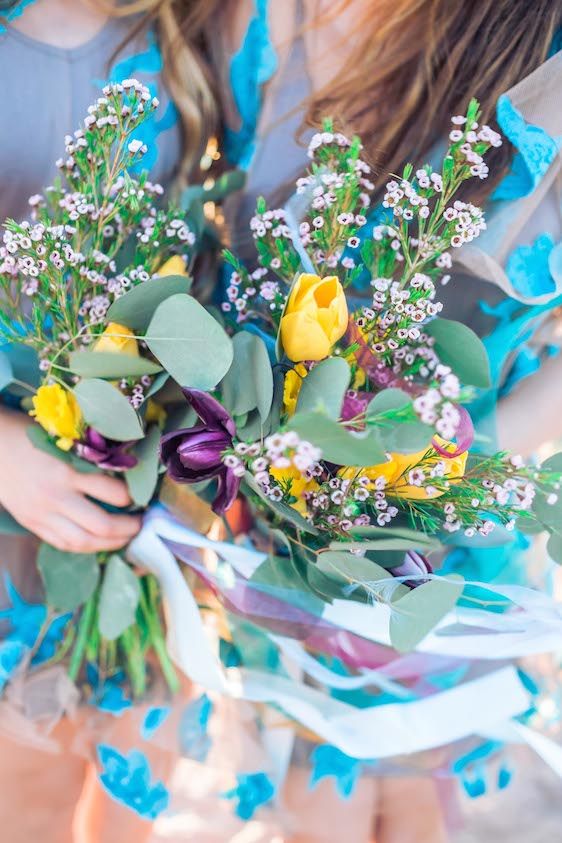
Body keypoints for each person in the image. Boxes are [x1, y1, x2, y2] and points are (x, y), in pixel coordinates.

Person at [205, 1, 562, 841]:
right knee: (307, 804)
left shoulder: (538, 45)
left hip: (453, 536)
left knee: (411, 806)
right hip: (276, 528)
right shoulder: (252, 19)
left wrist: (452, 469)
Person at [0, 1, 219, 840]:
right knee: (28, 803)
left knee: (136, 795)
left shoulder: (179, 29)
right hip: (17, 501)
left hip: (143, 490)